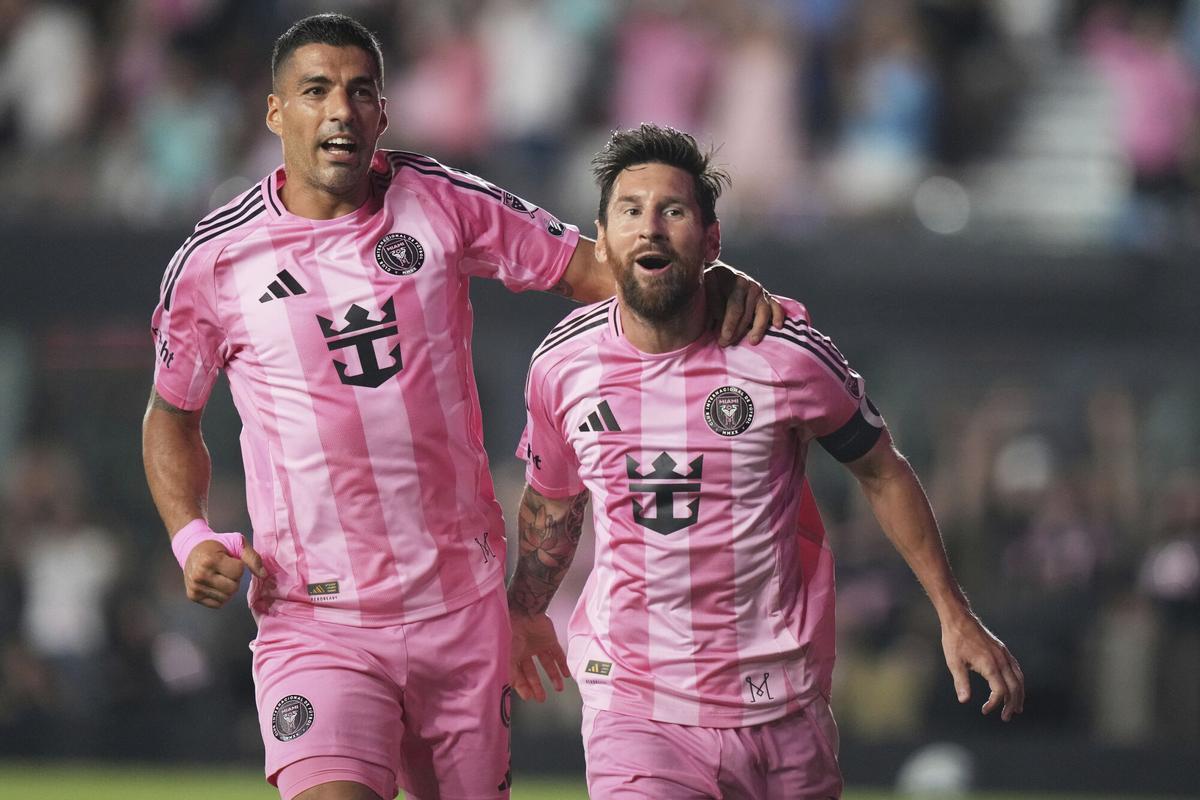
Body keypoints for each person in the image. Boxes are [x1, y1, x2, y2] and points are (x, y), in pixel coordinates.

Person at [140, 14, 780, 800]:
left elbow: (587, 268)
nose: (340, 109)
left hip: (461, 609)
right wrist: (190, 533)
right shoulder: (216, 261)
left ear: (383, 113)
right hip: (317, 619)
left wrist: (707, 282)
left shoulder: (438, 200)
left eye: (360, 91)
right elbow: (172, 414)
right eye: (315, 91)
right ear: (277, 114)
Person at [508, 123, 1025, 799]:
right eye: (630, 210)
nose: (652, 228)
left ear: (712, 240)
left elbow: (881, 469)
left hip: (781, 706)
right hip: (636, 705)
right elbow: (552, 500)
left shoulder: (784, 353)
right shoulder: (560, 367)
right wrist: (523, 612)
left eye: (674, 210)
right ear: (601, 240)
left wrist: (953, 612)